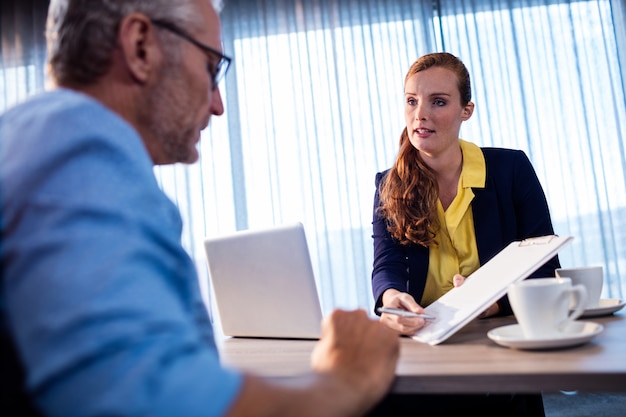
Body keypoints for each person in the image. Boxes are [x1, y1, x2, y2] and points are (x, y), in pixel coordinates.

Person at [0, 1, 400, 416]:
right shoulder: (77, 149)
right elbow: (156, 404)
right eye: (212, 68)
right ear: (140, 47)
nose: (217, 104)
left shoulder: (33, 140)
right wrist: (343, 380)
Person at [369, 52, 559, 416]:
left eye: (438, 102)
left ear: (466, 110)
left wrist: (495, 303)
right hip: (424, 346)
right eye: (411, 101)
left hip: (499, 343)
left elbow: (544, 268)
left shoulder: (510, 170)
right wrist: (390, 298)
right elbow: (385, 264)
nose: (419, 114)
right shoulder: (388, 185)